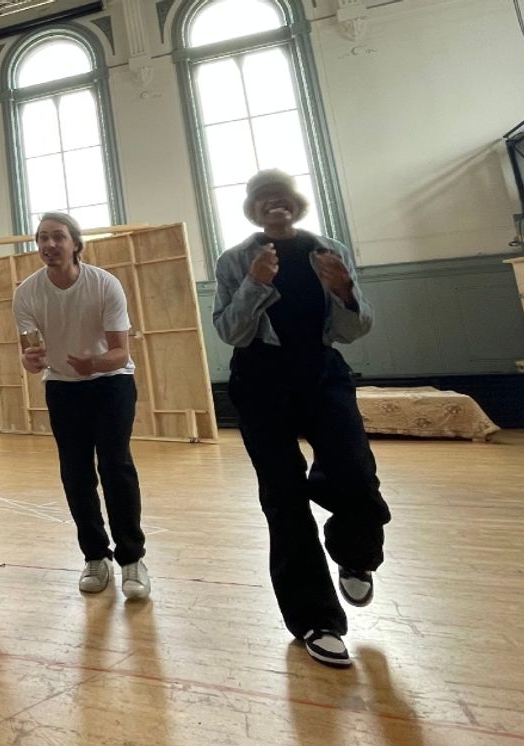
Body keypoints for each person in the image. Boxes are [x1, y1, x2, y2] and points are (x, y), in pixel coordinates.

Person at [213, 169, 388, 668]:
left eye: (283, 199)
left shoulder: (327, 250)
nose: (275, 206)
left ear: (296, 205)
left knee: (354, 469)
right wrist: (254, 285)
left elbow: (356, 328)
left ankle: (355, 554)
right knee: (283, 496)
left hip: (321, 370)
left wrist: (347, 291)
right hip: (261, 380)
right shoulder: (235, 261)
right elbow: (231, 330)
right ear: (253, 210)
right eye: (265, 200)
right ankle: (315, 620)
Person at [14, 212, 152, 602]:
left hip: (112, 382)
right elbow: (29, 354)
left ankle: (131, 559)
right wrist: (32, 361)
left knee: (115, 465)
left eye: (58, 237)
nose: (49, 245)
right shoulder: (27, 292)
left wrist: (94, 364)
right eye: (42, 238)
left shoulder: (105, 284)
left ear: (76, 243)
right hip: (63, 387)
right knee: (75, 474)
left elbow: (121, 351)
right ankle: (95, 556)